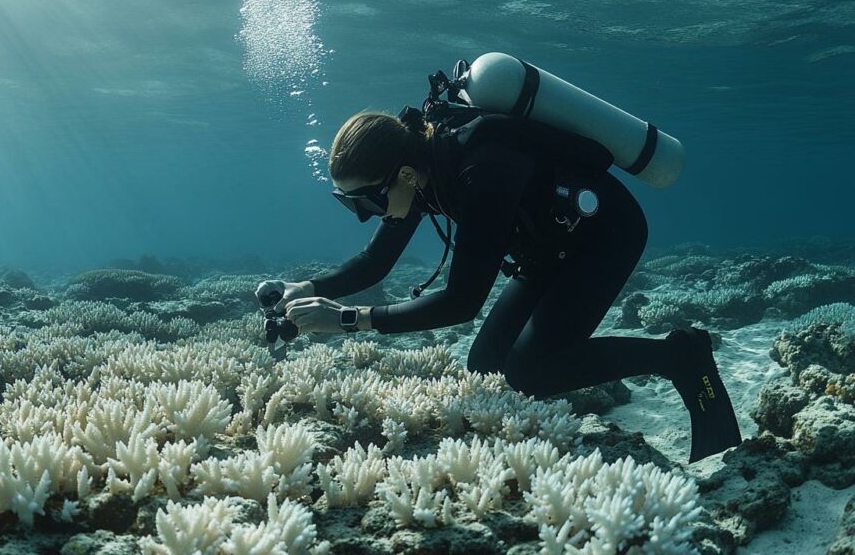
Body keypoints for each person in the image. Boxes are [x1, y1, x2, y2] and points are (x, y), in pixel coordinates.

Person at [255, 110, 742, 463]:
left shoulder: (479, 169)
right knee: (488, 368)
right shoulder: (419, 176)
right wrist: (304, 286)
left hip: (604, 237)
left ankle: (679, 356)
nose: (366, 214)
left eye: (364, 202)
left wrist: (347, 320)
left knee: (529, 372)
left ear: (400, 174)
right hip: (547, 249)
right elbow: (375, 261)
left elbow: (461, 303)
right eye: (351, 204)